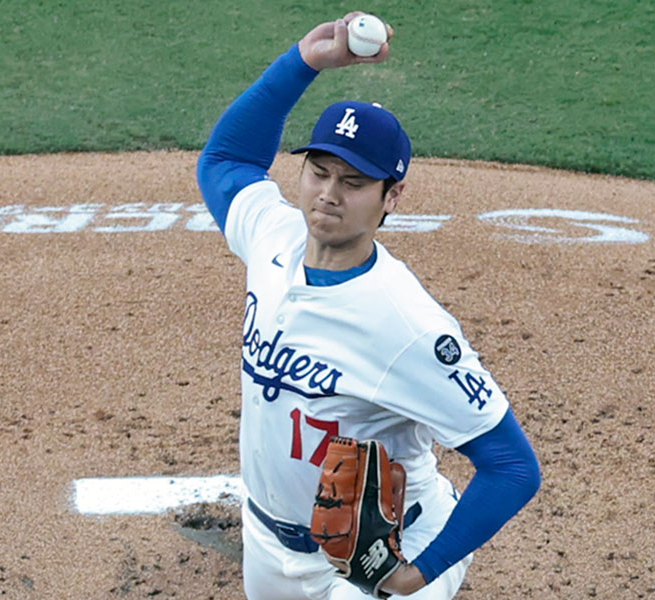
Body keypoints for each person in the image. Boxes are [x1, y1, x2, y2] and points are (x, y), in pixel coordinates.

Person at [196, 12, 541, 599]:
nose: (329, 194)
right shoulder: (272, 238)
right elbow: (226, 163)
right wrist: (302, 63)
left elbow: (512, 468)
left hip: (377, 556)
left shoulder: (405, 325)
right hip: (269, 541)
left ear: (392, 196)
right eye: (319, 172)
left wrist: (419, 572)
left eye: (354, 182)